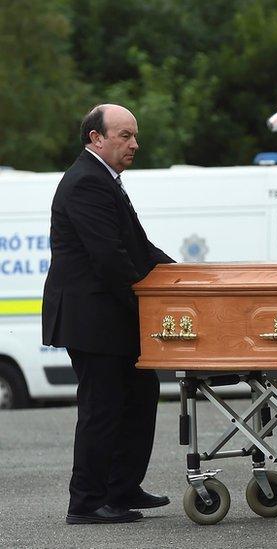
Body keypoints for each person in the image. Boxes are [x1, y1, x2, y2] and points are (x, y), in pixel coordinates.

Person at [42, 104, 174, 524]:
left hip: (107, 316)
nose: (134, 144)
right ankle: (85, 503)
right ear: (95, 138)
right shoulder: (86, 182)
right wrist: (148, 309)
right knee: (102, 407)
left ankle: (121, 489)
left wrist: (188, 277)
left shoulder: (106, 180)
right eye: (124, 135)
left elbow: (140, 248)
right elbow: (110, 260)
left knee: (140, 394)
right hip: (93, 318)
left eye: (135, 135)